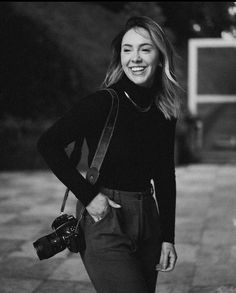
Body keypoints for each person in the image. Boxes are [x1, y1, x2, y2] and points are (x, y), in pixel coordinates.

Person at [37, 15, 181, 293]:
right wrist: (88, 196)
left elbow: (165, 175)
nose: (135, 58)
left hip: (148, 218)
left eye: (145, 49)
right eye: (128, 50)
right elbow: (48, 143)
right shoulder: (102, 103)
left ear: (160, 57)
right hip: (105, 219)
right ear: (120, 57)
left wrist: (168, 237)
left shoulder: (164, 111)